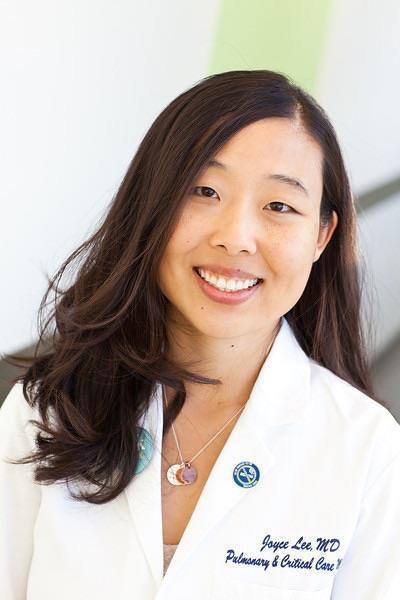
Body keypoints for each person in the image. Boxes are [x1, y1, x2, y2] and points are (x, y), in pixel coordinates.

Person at [1, 69, 399, 600]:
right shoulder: (46, 410)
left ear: (321, 235)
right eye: (204, 191)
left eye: (279, 206)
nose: (235, 238)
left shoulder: (368, 451)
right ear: (152, 204)